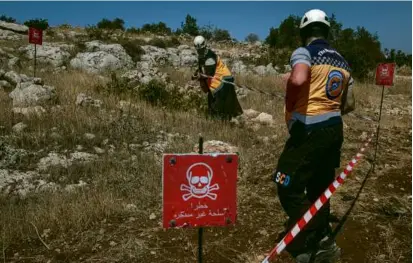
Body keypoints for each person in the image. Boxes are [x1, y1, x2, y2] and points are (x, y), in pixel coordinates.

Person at [272, 9, 355, 263]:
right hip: (334, 129)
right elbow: (350, 104)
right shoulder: (342, 61)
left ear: (305, 32)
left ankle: (311, 237)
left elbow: (298, 79)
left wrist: (289, 92)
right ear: (326, 32)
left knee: (285, 183)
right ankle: (323, 242)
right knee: (321, 186)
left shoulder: (304, 52)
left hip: (308, 131)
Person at [191, 35, 243, 120]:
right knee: (212, 104)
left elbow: (208, 73)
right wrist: (195, 74)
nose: (199, 51)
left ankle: (223, 123)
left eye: (200, 49)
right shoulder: (202, 56)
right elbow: (201, 69)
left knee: (219, 108)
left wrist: (199, 77)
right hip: (217, 81)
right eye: (198, 50)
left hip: (223, 81)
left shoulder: (210, 56)